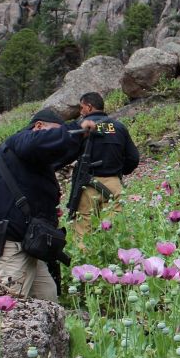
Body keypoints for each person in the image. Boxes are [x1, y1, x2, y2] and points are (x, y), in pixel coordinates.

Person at [0, 108, 97, 301]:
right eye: (54, 132)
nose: (55, 141)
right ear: (38, 127)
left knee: (47, 299)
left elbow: (59, 150)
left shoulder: (33, 161)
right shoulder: (20, 141)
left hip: (23, 245)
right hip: (0, 246)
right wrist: (74, 128)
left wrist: (83, 137)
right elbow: (39, 143)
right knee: (8, 313)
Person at [71, 92, 139, 244]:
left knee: (83, 233)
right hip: (114, 185)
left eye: (82, 108)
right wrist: (118, 172)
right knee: (116, 233)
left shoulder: (81, 128)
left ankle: (85, 265)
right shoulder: (118, 127)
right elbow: (133, 157)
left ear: (89, 107)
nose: (80, 112)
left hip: (86, 185)